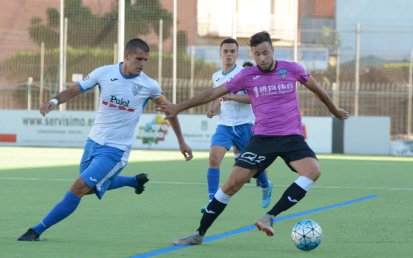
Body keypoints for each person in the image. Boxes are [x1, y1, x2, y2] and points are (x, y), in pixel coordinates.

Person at [158, 31, 349, 245]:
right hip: (262, 139)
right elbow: (213, 93)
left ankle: (269, 216)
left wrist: (333, 109)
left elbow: (318, 90)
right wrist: (179, 107)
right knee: (231, 185)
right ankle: (198, 233)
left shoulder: (292, 69)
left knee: (313, 171)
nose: (262, 59)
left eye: (265, 53)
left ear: (273, 50)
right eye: (257, 54)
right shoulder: (247, 76)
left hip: (291, 138)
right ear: (252, 54)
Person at [17, 38, 193, 241]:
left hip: (116, 151)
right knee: (90, 188)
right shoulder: (104, 73)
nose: (143, 64)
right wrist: (54, 100)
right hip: (93, 143)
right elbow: (75, 90)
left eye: (146, 60)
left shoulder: (149, 86)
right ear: (126, 56)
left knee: (79, 188)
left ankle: (36, 230)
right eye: (139, 59)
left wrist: (181, 141)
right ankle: (133, 181)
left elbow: (170, 111)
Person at [203, 38, 272, 212]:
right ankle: (212, 201)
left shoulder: (245, 74)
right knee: (213, 159)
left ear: (237, 54)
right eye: (225, 51)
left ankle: (265, 185)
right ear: (220, 54)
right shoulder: (216, 76)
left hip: (245, 126)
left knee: (254, 166)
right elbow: (219, 97)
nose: (229, 54)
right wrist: (213, 108)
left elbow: (251, 99)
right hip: (225, 126)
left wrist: (231, 96)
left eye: (232, 51)